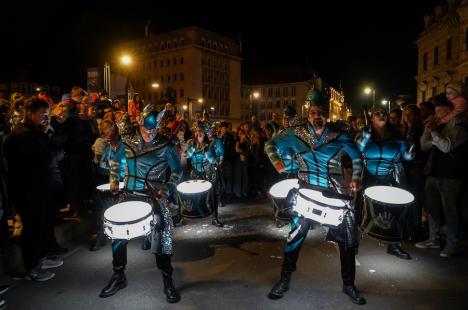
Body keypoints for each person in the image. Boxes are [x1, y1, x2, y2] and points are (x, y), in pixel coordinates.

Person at [265, 91, 366, 305]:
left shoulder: (340, 135)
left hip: (337, 194)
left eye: (321, 112)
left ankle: (349, 285)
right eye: (313, 112)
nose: (317, 115)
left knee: (347, 240)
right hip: (306, 194)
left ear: (327, 115)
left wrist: (356, 177)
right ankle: (284, 279)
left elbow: (357, 156)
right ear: (308, 114)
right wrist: (278, 163)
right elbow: (269, 145)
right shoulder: (294, 133)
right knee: (294, 237)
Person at [99, 104, 182, 303]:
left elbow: (178, 171)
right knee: (117, 235)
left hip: (155, 196)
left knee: (163, 237)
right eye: (146, 129)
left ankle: (167, 280)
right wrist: (113, 178)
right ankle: (119, 276)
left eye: (153, 129)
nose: (149, 133)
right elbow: (115, 163)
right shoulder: (126, 141)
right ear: (139, 124)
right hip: (129, 193)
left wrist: (168, 188)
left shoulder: (166, 146)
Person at [5, 97, 63, 282]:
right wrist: (51, 150)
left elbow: (56, 152)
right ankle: (31, 268)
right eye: (43, 115)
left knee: (42, 226)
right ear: (29, 114)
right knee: (32, 229)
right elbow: (47, 158)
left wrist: (46, 134)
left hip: (40, 189)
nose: (47, 119)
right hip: (28, 191)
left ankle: (40, 259)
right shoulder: (22, 134)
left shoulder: (34, 132)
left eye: (48, 115)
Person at [356, 106, 415, 259]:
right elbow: (355, 151)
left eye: (384, 113)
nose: (381, 115)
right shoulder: (364, 133)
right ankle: (354, 242)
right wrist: (364, 138)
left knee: (394, 210)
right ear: (372, 117)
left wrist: (409, 154)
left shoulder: (397, 135)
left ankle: (394, 246)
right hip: (367, 177)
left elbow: (407, 156)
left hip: (389, 177)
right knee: (360, 209)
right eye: (377, 113)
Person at [416, 100, 468, 257]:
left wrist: (434, 132)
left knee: (449, 210)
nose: (435, 115)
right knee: (432, 208)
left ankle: (452, 244)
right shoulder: (438, 127)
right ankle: (434, 239)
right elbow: (424, 146)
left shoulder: (460, 128)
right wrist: (427, 131)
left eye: (439, 112)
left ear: (450, 112)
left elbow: (446, 147)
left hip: (451, 175)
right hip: (433, 173)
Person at [186, 121, 223, 227]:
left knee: (213, 196)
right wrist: (193, 147)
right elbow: (187, 156)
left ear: (205, 133)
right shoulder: (191, 142)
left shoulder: (210, 143)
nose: (199, 134)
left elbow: (214, 161)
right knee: (191, 194)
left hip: (209, 172)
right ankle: (187, 214)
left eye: (201, 132)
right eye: (197, 131)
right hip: (196, 172)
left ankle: (215, 218)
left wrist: (207, 153)